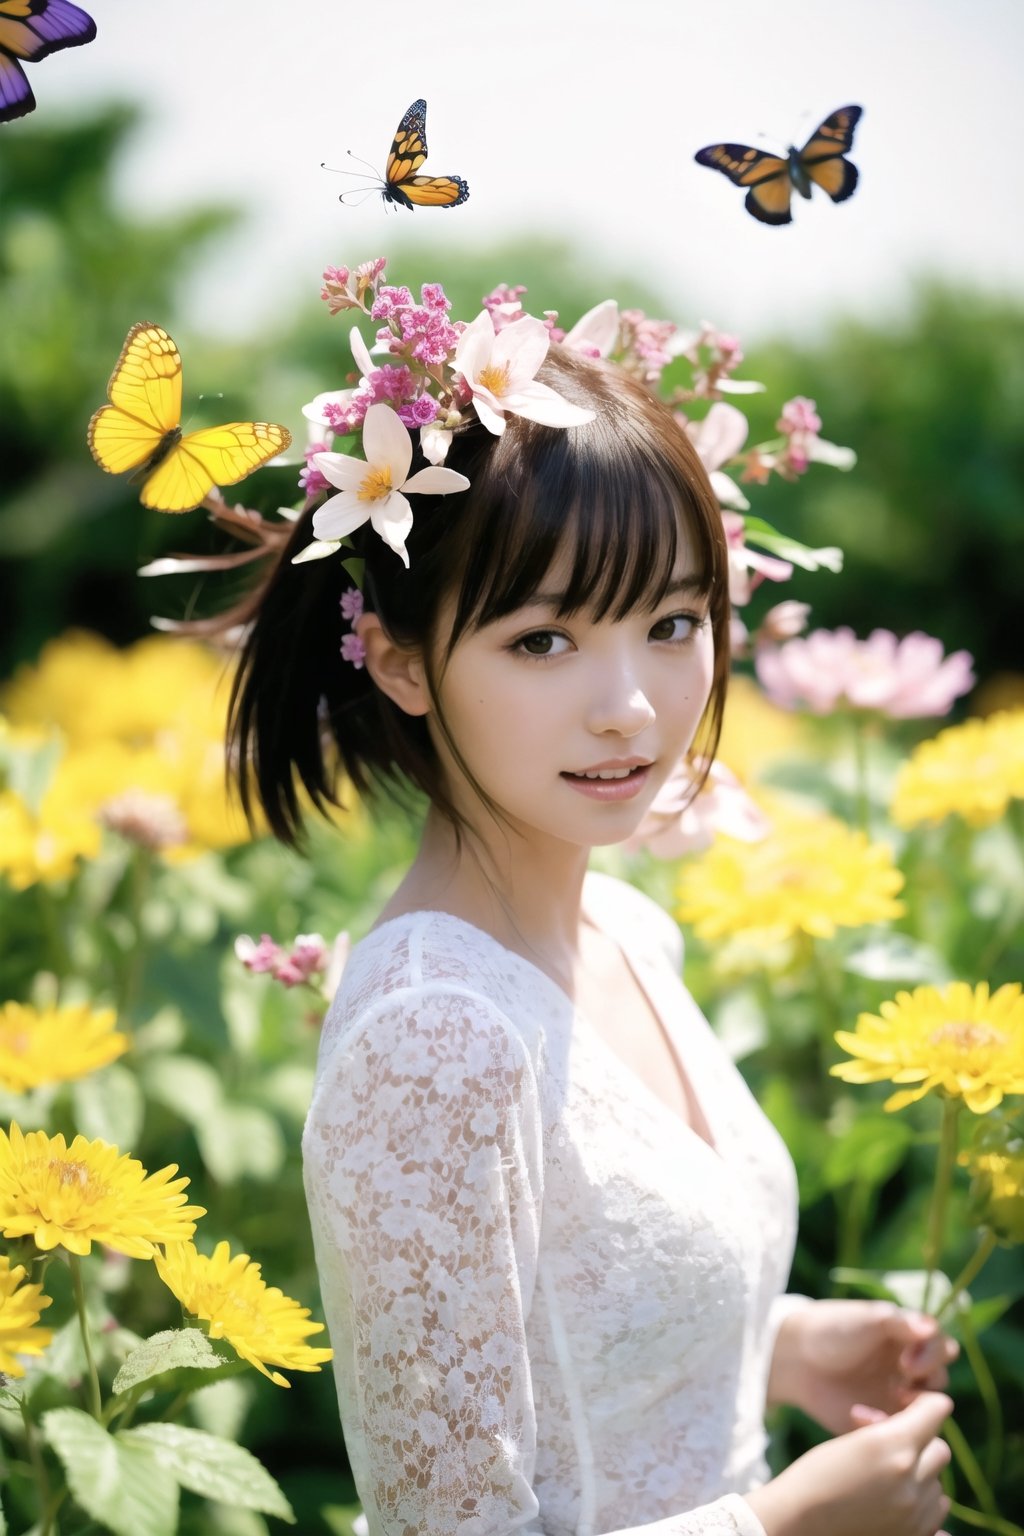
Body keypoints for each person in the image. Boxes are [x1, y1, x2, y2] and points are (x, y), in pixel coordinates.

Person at [228, 276, 958, 1536]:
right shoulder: (435, 1042)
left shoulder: (626, 929)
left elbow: (567, 1312)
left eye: (671, 622)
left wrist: (775, 1345)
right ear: (401, 658)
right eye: (545, 641)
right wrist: (780, 1528)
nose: (629, 704)